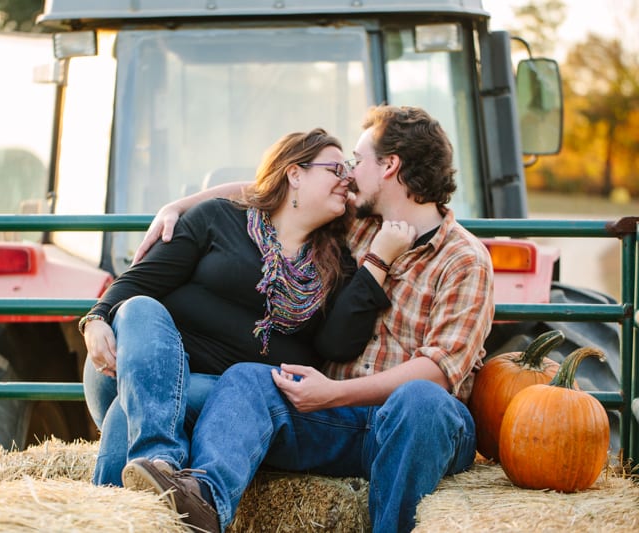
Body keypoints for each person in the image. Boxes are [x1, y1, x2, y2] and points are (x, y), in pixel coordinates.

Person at [121, 105, 495, 533]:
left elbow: (438, 373)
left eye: (357, 161)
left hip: (417, 427)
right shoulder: (356, 225)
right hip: (339, 424)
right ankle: (204, 500)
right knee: (248, 377)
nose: (348, 174)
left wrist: (333, 393)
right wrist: (180, 204)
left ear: (390, 165)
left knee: (420, 400)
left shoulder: (464, 259)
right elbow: (278, 189)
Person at [79, 127, 415, 489]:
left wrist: (378, 262)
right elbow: (138, 283)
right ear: (295, 174)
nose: (346, 179)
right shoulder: (217, 219)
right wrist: (96, 321)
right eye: (335, 169)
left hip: (222, 394)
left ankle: (129, 498)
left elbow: (337, 345)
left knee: (129, 413)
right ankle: (161, 458)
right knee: (140, 309)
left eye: (349, 173)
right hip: (134, 365)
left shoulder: (339, 265)